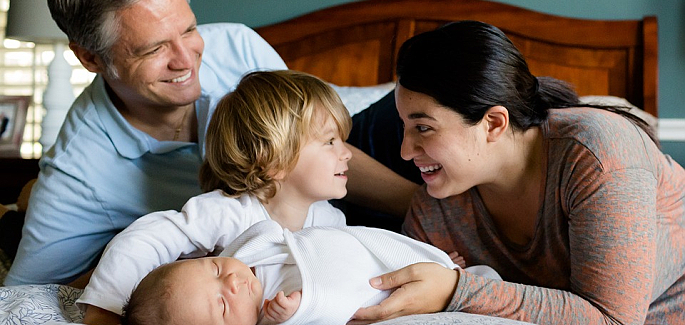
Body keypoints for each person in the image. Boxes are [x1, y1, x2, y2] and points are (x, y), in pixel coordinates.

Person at [4, 0, 418, 287]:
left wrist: (429, 207)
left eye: (188, 29)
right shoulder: (78, 171)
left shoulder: (236, 44)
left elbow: (311, 147)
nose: (187, 59)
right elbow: (27, 296)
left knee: (429, 93)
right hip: (275, 223)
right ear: (91, 59)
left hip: (329, 165)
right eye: (154, 48)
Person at [351, 20, 685, 324]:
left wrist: (456, 289)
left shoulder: (597, 154)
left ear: (493, 123)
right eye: (404, 127)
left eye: (423, 128)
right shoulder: (434, 210)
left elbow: (614, 319)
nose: (405, 151)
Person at [77, 69, 345, 324]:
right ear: (274, 160)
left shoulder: (331, 221)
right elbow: (142, 241)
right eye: (330, 141)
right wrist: (104, 311)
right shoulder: (228, 213)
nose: (347, 153)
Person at [120, 220, 499, 325]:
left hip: (368, 258)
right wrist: (299, 310)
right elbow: (331, 310)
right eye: (221, 306)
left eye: (216, 267)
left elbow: (273, 234)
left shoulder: (254, 258)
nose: (234, 282)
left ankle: (464, 278)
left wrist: (238, 254)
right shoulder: (270, 314)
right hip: (367, 292)